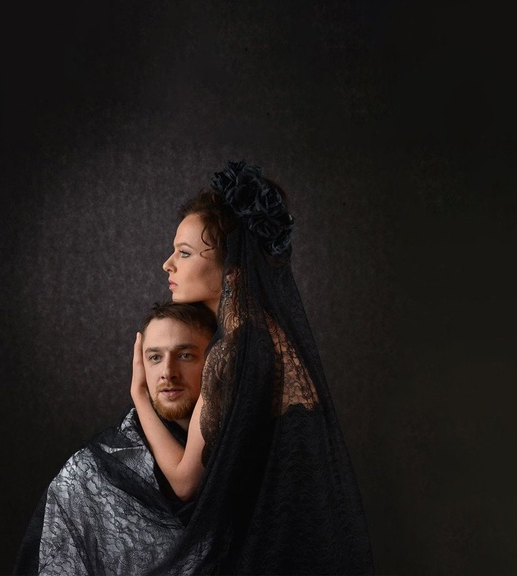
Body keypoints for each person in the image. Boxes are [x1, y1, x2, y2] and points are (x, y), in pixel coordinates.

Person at [136, 159, 374, 574]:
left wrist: (139, 395)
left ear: (232, 268)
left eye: (184, 253)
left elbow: (186, 482)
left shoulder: (234, 350)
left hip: (270, 558)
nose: (167, 264)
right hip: (303, 551)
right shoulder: (266, 333)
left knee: (89, 480)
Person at [14, 301, 218, 575]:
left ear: (215, 362)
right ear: (140, 365)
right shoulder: (90, 473)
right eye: (154, 357)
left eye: (185, 355)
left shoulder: (241, 454)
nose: (168, 372)